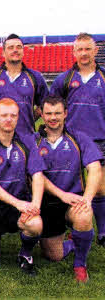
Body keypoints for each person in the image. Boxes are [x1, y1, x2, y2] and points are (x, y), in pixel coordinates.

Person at [0, 98, 45, 276]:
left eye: (13, 115)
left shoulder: (27, 143)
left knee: (35, 224)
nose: (9, 119)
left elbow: (37, 175)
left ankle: (25, 255)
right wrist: (17, 203)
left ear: (18, 118)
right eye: (4, 115)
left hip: (19, 205)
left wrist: (35, 205)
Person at [36, 96, 101, 283]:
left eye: (57, 113)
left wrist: (87, 199)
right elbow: (37, 175)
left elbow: (95, 168)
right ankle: (72, 242)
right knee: (53, 255)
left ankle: (80, 265)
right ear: (41, 114)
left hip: (74, 198)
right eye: (48, 113)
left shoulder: (79, 138)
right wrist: (60, 194)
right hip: (48, 201)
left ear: (65, 114)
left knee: (83, 215)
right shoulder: (34, 141)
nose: (53, 117)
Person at [50, 33, 105, 246]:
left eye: (87, 49)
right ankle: (66, 226)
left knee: (99, 186)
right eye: (79, 49)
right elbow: (53, 105)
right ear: (74, 52)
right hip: (70, 140)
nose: (83, 53)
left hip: (99, 139)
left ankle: (102, 231)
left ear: (95, 51)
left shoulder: (103, 78)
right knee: (69, 183)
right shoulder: (64, 79)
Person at [0, 34, 48, 135]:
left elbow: (45, 104)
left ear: (23, 51)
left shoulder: (35, 77)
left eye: (19, 47)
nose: (15, 50)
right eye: (11, 47)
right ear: (3, 53)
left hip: (26, 137)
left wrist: (31, 117)